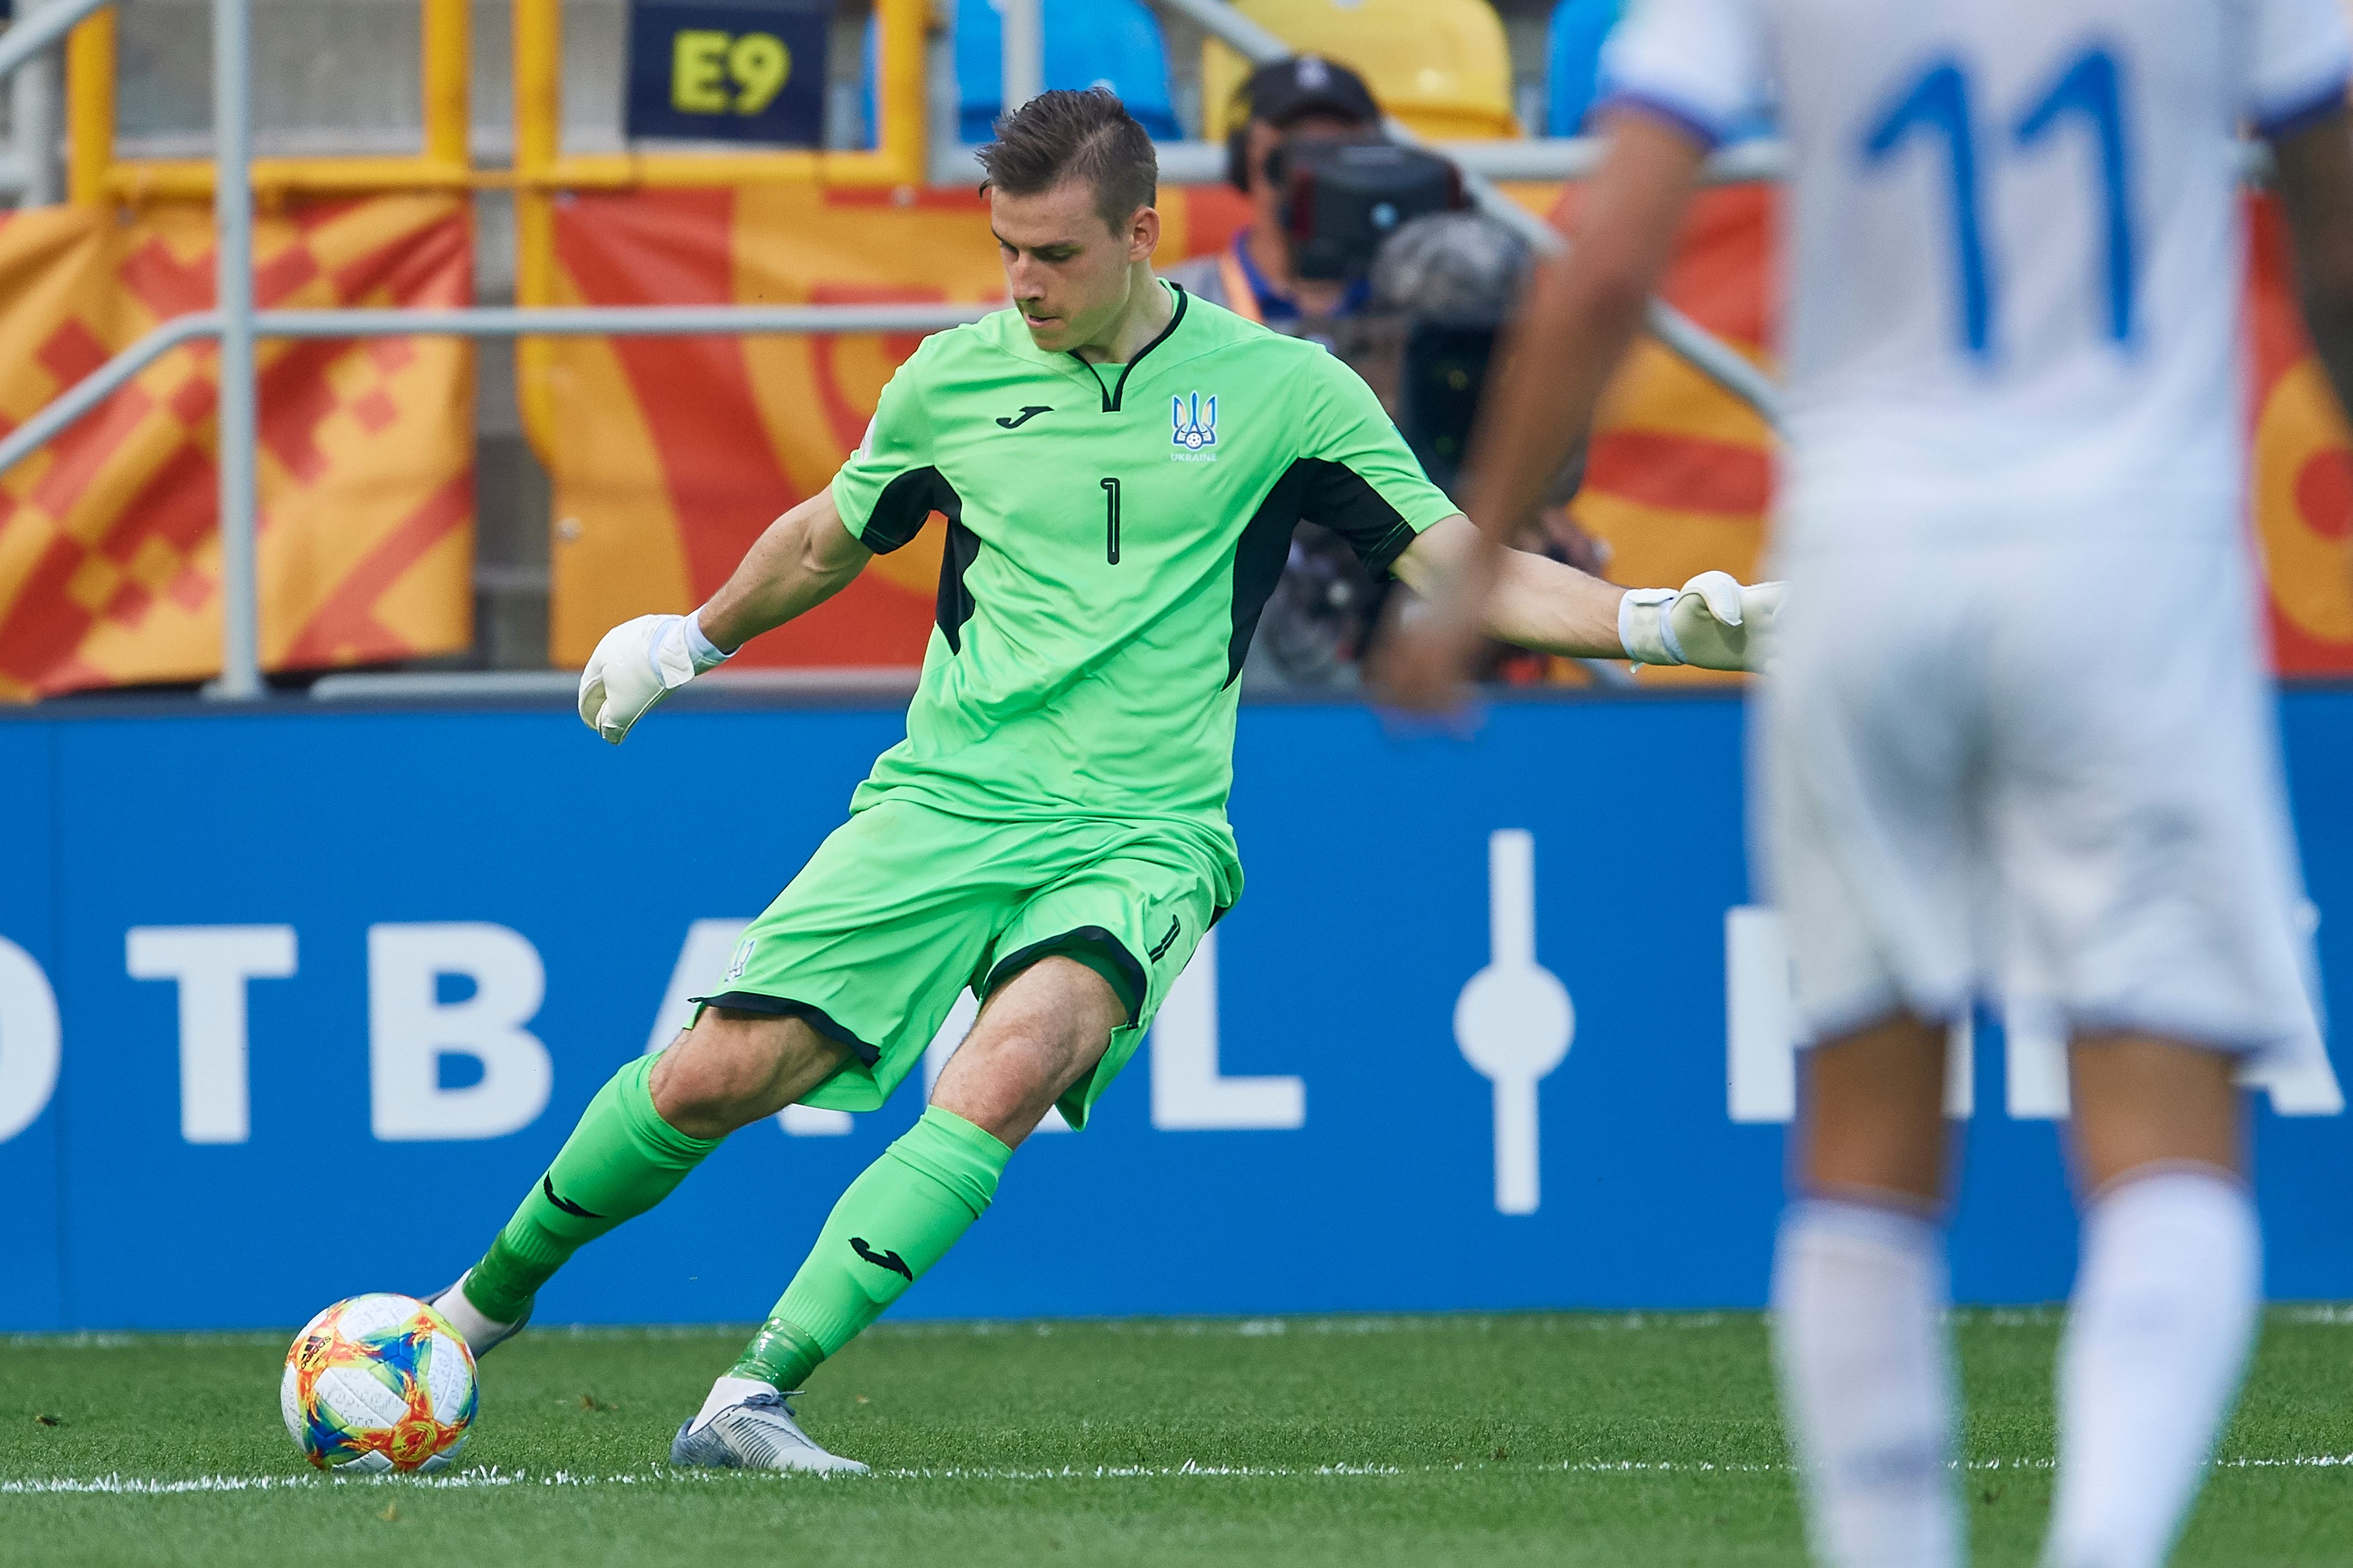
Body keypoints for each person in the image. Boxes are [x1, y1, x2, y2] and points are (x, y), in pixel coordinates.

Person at [417, 87, 1777, 1475]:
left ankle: (751, 1395)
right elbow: (830, 536)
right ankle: (471, 1313)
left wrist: (1656, 623)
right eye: (1006, 249)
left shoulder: (1288, 393)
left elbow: (1459, 564)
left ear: (1141, 234)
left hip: (1143, 833)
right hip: (943, 802)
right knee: (717, 1074)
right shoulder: (949, 381)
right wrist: (686, 641)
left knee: (1003, 1071)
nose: (1024, 283)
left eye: (1055, 254)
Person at [1378, 2, 2353, 1565]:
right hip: (2130, 557)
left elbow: (1610, 257)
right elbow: (2336, 250)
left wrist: (1475, 558)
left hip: (1866, 553)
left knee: (1864, 1133)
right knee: (2164, 1122)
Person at [1163, 55, 1384, 341]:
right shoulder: (1168, 307)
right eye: (1296, 138)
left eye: (1338, 142)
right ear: (1246, 154)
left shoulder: (1416, 299)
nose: (1315, 166)